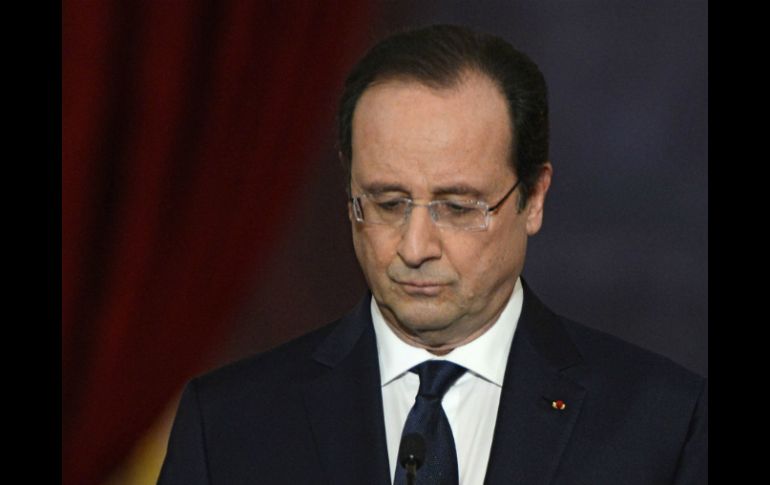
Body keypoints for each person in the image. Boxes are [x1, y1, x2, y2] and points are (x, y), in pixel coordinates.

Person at [158, 24, 707, 484]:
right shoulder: (229, 424)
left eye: (458, 207)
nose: (415, 247)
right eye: (387, 203)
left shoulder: (662, 423)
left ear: (534, 199)